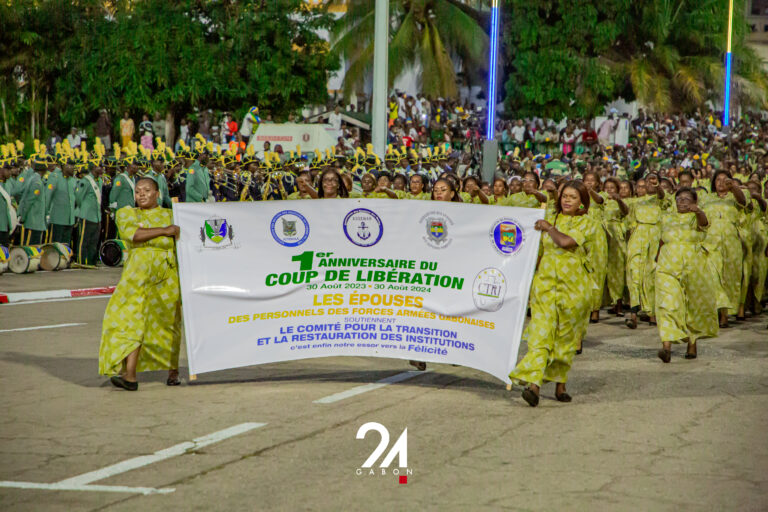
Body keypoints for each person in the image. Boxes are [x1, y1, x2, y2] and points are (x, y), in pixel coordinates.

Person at [509, 181, 597, 406]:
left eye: (573, 197)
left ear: (582, 202)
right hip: (545, 285)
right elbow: (536, 250)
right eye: (564, 196)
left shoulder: (587, 223)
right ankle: (533, 385)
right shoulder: (549, 216)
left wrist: (548, 228)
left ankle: (560, 384)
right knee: (541, 333)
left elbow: (566, 242)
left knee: (565, 339)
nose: (567, 200)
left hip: (574, 288)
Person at [99, 176, 182, 390]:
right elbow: (133, 234)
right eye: (137, 191)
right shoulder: (127, 213)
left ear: (157, 194)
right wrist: (165, 230)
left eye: (146, 190)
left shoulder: (172, 214)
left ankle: (173, 372)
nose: (141, 194)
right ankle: (129, 375)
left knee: (167, 323)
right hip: (136, 277)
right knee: (127, 320)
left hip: (167, 277)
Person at [655, 187, 718, 362]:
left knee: (692, 304)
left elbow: (704, 224)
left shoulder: (697, 216)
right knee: (667, 303)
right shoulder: (667, 217)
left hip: (693, 265)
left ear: (695, 202)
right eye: (679, 199)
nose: (681, 201)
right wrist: (656, 257)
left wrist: (698, 211)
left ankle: (692, 343)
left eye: (686, 199)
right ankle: (666, 347)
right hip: (667, 265)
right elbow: (662, 239)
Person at [700, 171, 747, 327]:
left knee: (730, 277)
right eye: (718, 180)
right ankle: (718, 313)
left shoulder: (736, 196)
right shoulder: (706, 198)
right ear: (713, 183)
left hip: (731, 242)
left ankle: (726, 313)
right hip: (710, 243)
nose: (721, 182)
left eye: (724, 179)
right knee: (713, 276)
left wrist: (733, 187)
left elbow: (744, 202)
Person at [625, 172, 667, 329]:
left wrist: (657, 187)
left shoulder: (661, 199)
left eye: (653, 181)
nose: (649, 184)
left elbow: (662, 196)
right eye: (646, 182)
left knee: (651, 273)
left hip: (655, 236)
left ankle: (652, 313)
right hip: (638, 235)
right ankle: (633, 313)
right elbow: (628, 220)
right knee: (633, 271)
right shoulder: (635, 203)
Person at [74, 161, 103, 265]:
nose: (102, 168)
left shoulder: (99, 181)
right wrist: (84, 208)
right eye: (100, 166)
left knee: (94, 241)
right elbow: (78, 197)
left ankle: (91, 262)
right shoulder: (85, 181)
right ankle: (81, 261)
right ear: (93, 168)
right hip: (87, 215)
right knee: (83, 241)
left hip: (96, 216)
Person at [45, 159, 77, 245]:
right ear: (64, 166)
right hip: (57, 219)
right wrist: (46, 214)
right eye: (71, 165)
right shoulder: (55, 177)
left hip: (69, 220)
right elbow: (47, 196)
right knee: (54, 247)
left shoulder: (73, 180)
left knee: (66, 247)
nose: (73, 168)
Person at [17, 160, 48, 245]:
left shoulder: (33, 179)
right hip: (33, 223)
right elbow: (29, 202)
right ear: (44, 170)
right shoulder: (37, 182)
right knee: (30, 248)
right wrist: (23, 217)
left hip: (34, 223)